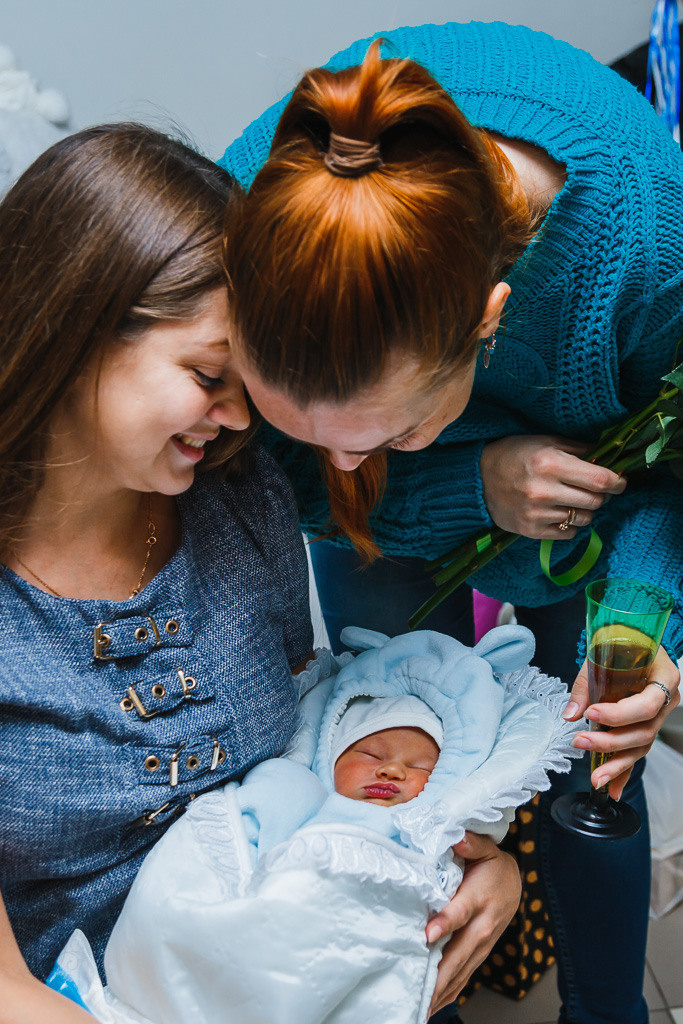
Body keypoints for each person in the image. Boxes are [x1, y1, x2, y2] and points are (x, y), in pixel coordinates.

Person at [218, 21, 683, 1024]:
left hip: (590, 510)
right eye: (304, 428)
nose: (343, 467)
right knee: (381, 755)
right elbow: (294, 479)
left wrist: (643, 615)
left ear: (490, 316)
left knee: (587, 769)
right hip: (418, 517)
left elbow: (675, 472)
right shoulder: (242, 210)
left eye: (387, 429)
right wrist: (468, 480)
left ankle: (607, 1010)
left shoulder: (645, 244)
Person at [0, 120, 517, 1022]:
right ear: (76, 332)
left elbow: (313, 756)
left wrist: (481, 868)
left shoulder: (243, 502)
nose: (239, 416)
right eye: (208, 375)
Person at [48, 624, 577, 1024]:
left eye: (419, 767)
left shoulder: (423, 831)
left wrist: (491, 868)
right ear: (330, 751)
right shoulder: (297, 789)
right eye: (370, 752)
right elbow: (239, 835)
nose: (392, 769)